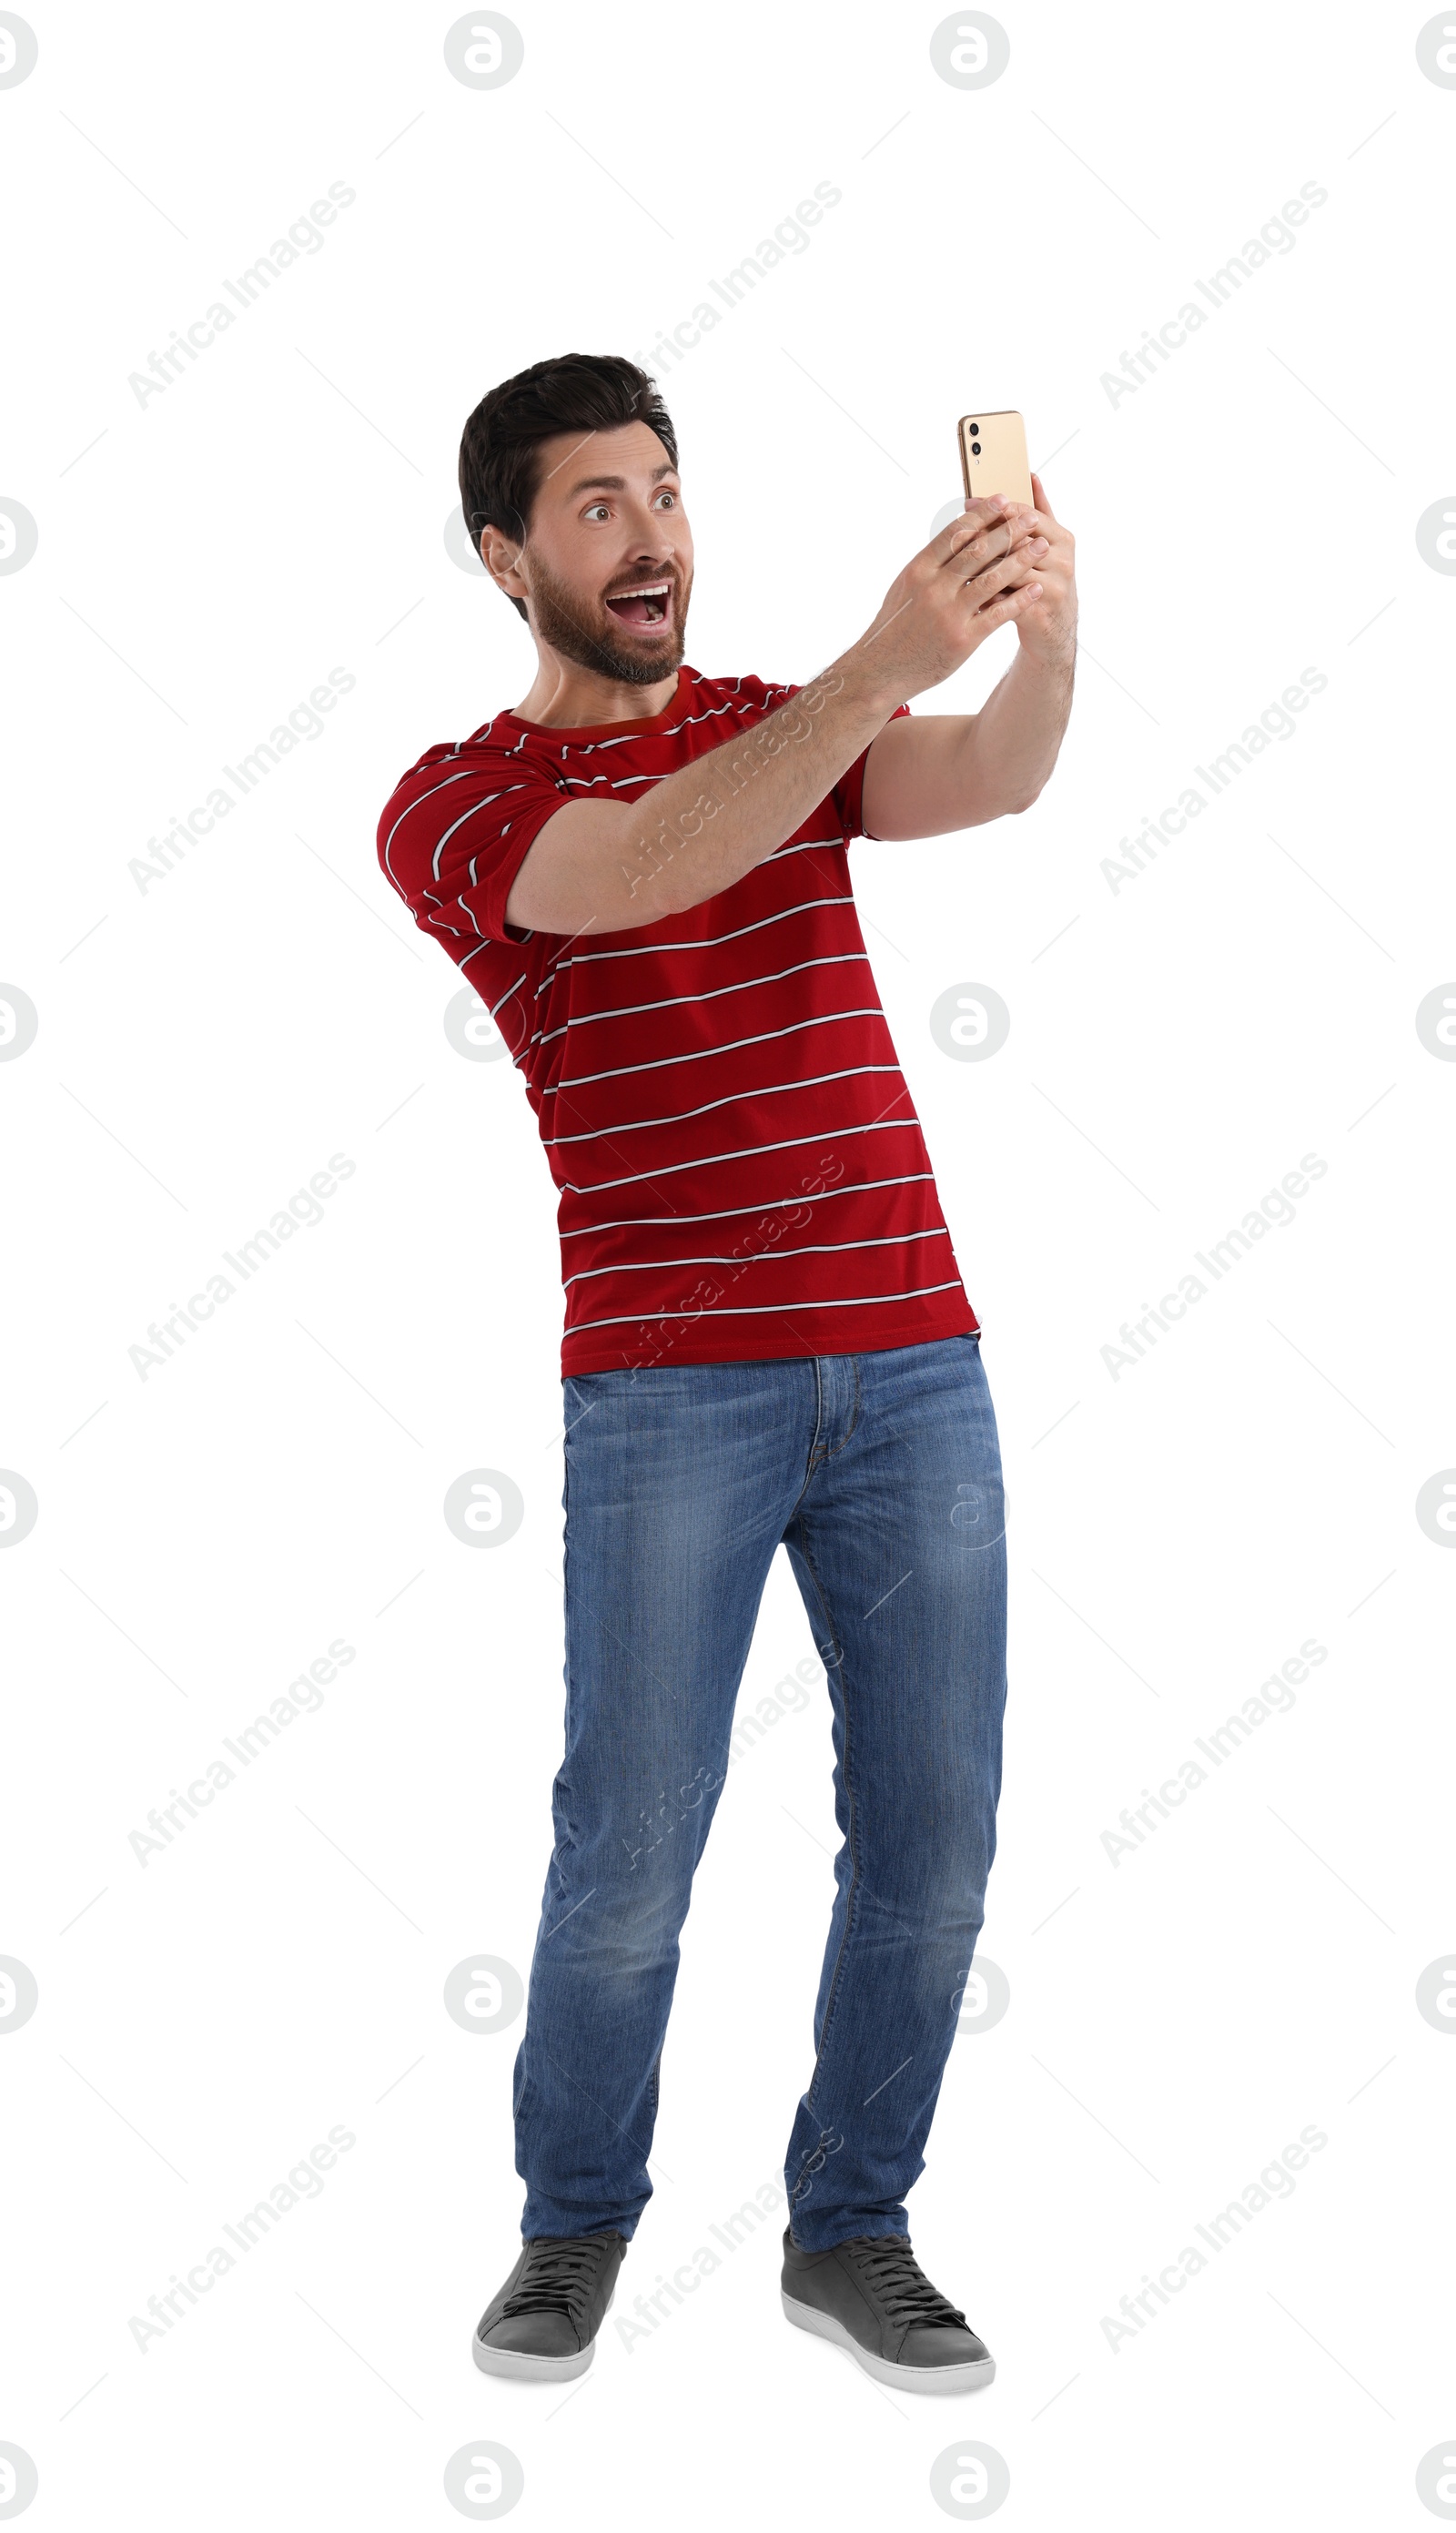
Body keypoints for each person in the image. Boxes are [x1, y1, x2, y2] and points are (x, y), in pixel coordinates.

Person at [377, 352, 1077, 2393]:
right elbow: (648, 868)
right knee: (630, 1848)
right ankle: (572, 2226)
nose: (651, 529)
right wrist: (878, 662)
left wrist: (1044, 630)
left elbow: (1003, 775)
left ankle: (850, 2222)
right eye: (594, 504)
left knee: (934, 1838)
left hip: (912, 1364)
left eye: (663, 488)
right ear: (504, 557)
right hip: (670, 1389)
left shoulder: (787, 724)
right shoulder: (457, 805)